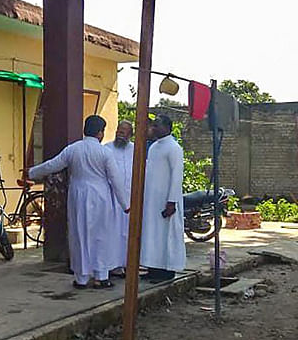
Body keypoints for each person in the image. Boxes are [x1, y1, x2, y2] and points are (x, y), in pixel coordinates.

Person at [26, 115, 129, 289]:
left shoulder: (72, 149)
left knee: (79, 234)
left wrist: (31, 173)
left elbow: (52, 165)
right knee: (101, 236)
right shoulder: (105, 152)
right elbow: (116, 180)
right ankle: (101, 276)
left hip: (78, 195)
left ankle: (81, 278)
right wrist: (125, 204)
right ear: (99, 133)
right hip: (100, 197)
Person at [140, 115, 185, 283]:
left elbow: (176, 176)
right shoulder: (153, 147)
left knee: (166, 236)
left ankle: (167, 271)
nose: (154, 128)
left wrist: (171, 201)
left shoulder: (173, 148)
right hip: (152, 200)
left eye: (157, 125)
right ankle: (153, 268)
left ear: (167, 127)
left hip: (167, 201)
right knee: (153, 235)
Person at [104, 120, 134, 278]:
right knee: (112, 232)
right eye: (118, 130)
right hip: (111, 199)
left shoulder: (135, 150)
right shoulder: (107, 149)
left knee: (127, 233)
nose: (119, 133)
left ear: (130, 134)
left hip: (130, 198)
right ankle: (112, 265)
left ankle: (127, 264)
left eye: (123, 131)